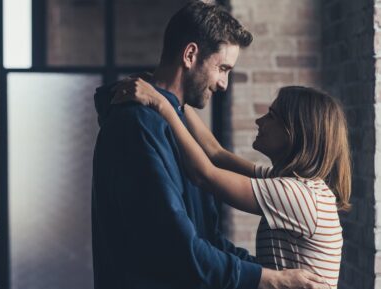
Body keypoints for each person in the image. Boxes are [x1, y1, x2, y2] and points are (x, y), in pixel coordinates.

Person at [92, 1, 330, 289]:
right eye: (223, 68)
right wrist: (272, 279)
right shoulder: (138, 125)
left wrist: (269, 274)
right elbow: (177, 249)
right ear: (190, 55)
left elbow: (208, 236)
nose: (224, 84)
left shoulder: (173, 123)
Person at [113, 81, 351, 289]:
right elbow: (215, 152)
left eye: (271, 115)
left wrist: (161, 105)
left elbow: (204, 174)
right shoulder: (289, 184)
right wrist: (176, 98)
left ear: (295, 133)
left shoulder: (296, 194)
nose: (259, 120)